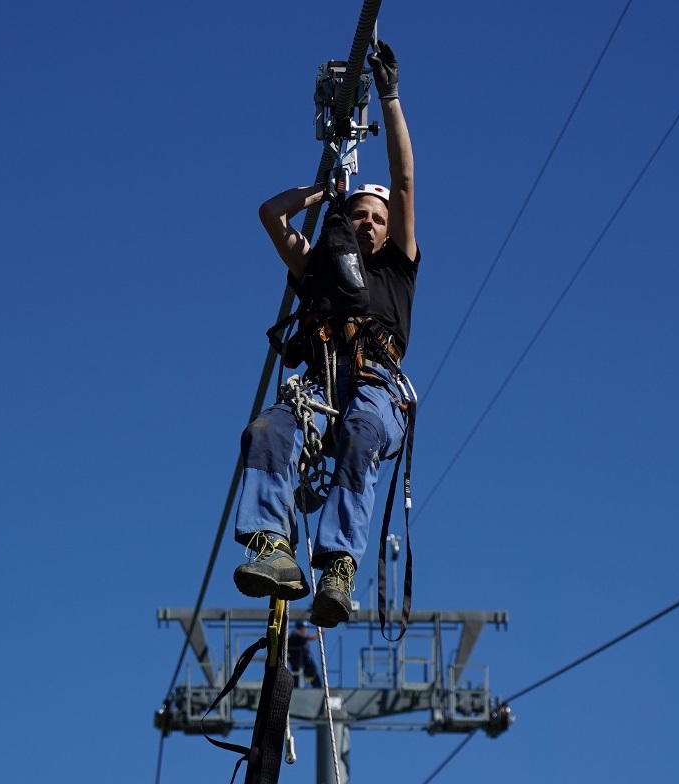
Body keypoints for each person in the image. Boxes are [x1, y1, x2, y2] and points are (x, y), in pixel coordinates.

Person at [232, 40, 418, 628]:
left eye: (378, 219)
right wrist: (325, 194)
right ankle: (272, 548)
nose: (368, 223)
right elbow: (270, 214)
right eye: (361, 215)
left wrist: (389, 98)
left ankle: (338, 567)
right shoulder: (315, 268)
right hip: (318, 386)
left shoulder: (396, 266)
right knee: (265, 431)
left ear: (390, 233)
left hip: (373, 389)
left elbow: (404, 179)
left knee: (363, 435)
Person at [287, 621, 322, 688]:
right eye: (304, 627)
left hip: (298, 660)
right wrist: (319, 633)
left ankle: (317, 687)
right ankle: (317, 687)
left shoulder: (294, 634)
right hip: (300, 659)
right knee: (310, 672)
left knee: (306, 674)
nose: (305, 629)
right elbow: (307, 638)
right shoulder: (296, 633)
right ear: (300, 627)